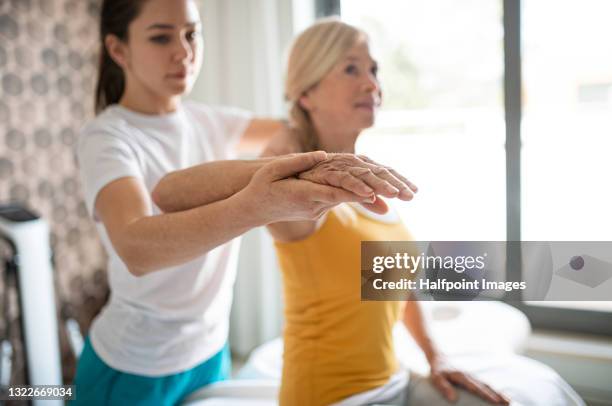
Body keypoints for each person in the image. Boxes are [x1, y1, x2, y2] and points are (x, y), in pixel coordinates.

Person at [72, 0, 417, 405]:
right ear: (118, 50)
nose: (183, 51)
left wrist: (347, 129)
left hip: (210, 350)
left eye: (191, 34)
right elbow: (136, 247)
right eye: (161, 37)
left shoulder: (212, 121)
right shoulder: (108, 137)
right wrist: (259, 202)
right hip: (136, 363)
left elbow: (303, 129)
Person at [260, 19, 586, 406]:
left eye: (374, 70)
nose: (371, 84)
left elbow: (396, 278)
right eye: (351, 69)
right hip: (331, 397)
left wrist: (435, 356)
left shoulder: (371, 180)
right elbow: (270, 175)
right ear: (306, 93)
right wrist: (292, 137)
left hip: (394, 382)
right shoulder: (297, 189)